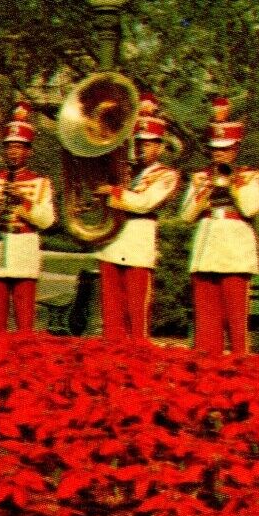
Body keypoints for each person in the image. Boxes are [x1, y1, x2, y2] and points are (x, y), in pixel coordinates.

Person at [178, 96, 259, 355]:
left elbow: (250, 208)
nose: (219, 153)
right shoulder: (200, 177)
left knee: (236, 323)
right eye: (215, 149)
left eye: (225, 149)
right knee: (206, 324)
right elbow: (186, 215)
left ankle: (239, 368)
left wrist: (230, 184)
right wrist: (204, 193)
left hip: (235, 252)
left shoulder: (251, 176)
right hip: (206, 248)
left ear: (235, 148)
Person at [93, 93, 182, 342]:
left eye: (151, 143)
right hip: (111, 242)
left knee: (136, 315)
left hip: (138, 242)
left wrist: (112, 191)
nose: (143, 147)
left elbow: (144, 203)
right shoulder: (122, 171)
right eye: (140, 142)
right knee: (110, 315)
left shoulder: (166, 175)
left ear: (161, 146)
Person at [0, 102, 57, 335]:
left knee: (24, 319)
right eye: (10, 147)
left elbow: (47, 220)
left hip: (24, 250)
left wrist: (23, 203)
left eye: (19, 147)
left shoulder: (40, 182)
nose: (14, 152)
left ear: (28, 151)